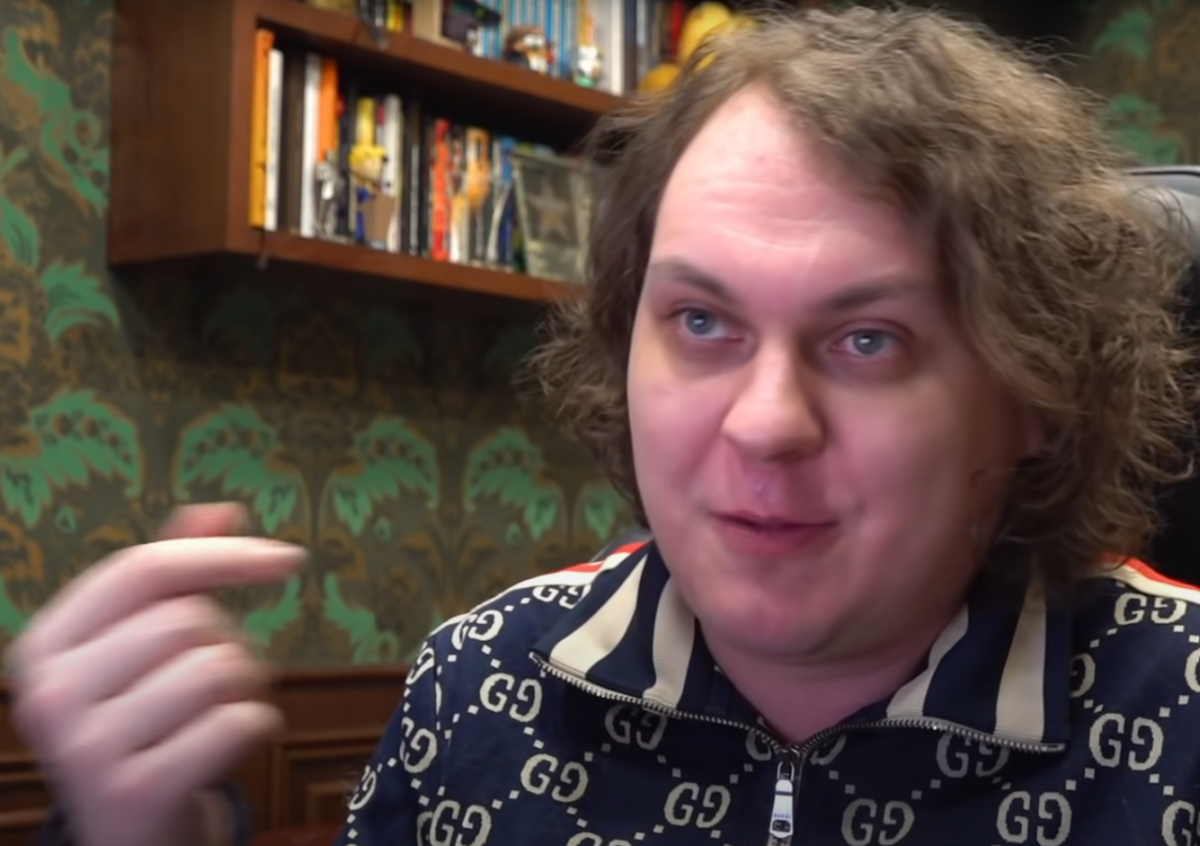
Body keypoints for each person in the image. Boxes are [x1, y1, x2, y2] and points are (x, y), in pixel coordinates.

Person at [11, 5, 1200, 845]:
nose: (765, 424)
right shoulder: (478, 683)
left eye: (867, 340)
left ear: (1036, 395)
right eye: (701, 321)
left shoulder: (1180, 713)